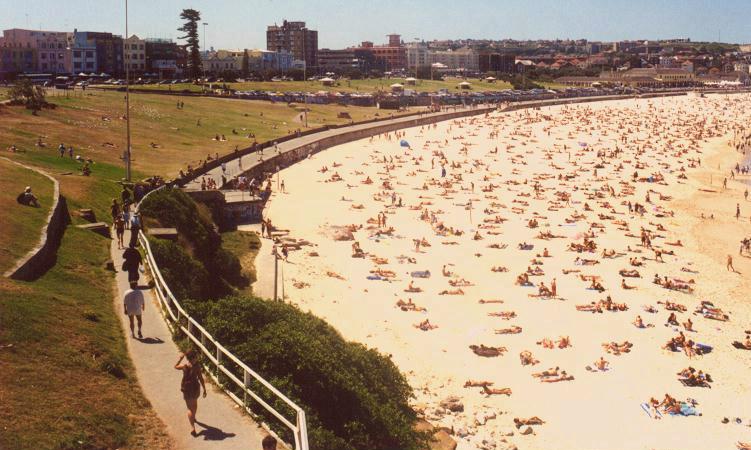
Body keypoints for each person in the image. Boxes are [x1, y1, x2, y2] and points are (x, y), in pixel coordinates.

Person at [175, 349, 207, 436]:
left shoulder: (184, 366)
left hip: (186, 389)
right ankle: (193, 418)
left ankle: (192, 427)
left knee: (189, 408)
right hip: (195, 388)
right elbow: (200, 378)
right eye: (196, 357)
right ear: (193, 357)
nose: (197, 358)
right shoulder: (197, 366)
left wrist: (180, 358)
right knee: (194, 406)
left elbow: (175, 366)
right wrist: (204, 388)